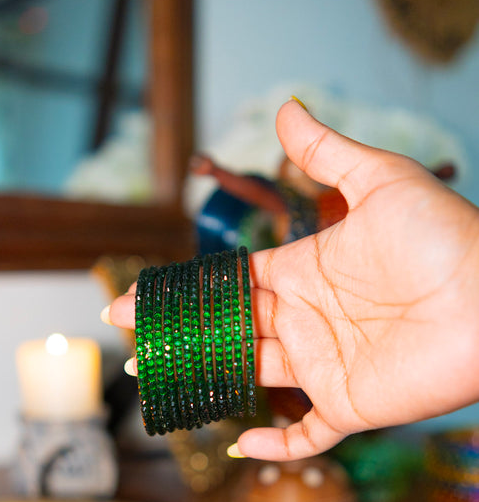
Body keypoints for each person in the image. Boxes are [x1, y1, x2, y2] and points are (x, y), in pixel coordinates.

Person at [103, 97, 479, 462]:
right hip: (313, 307)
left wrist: (462, 273)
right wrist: (216, 173)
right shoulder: (293, 206)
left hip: (332, 296)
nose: (303, 173)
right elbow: (252, 192)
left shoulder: (340, 205)